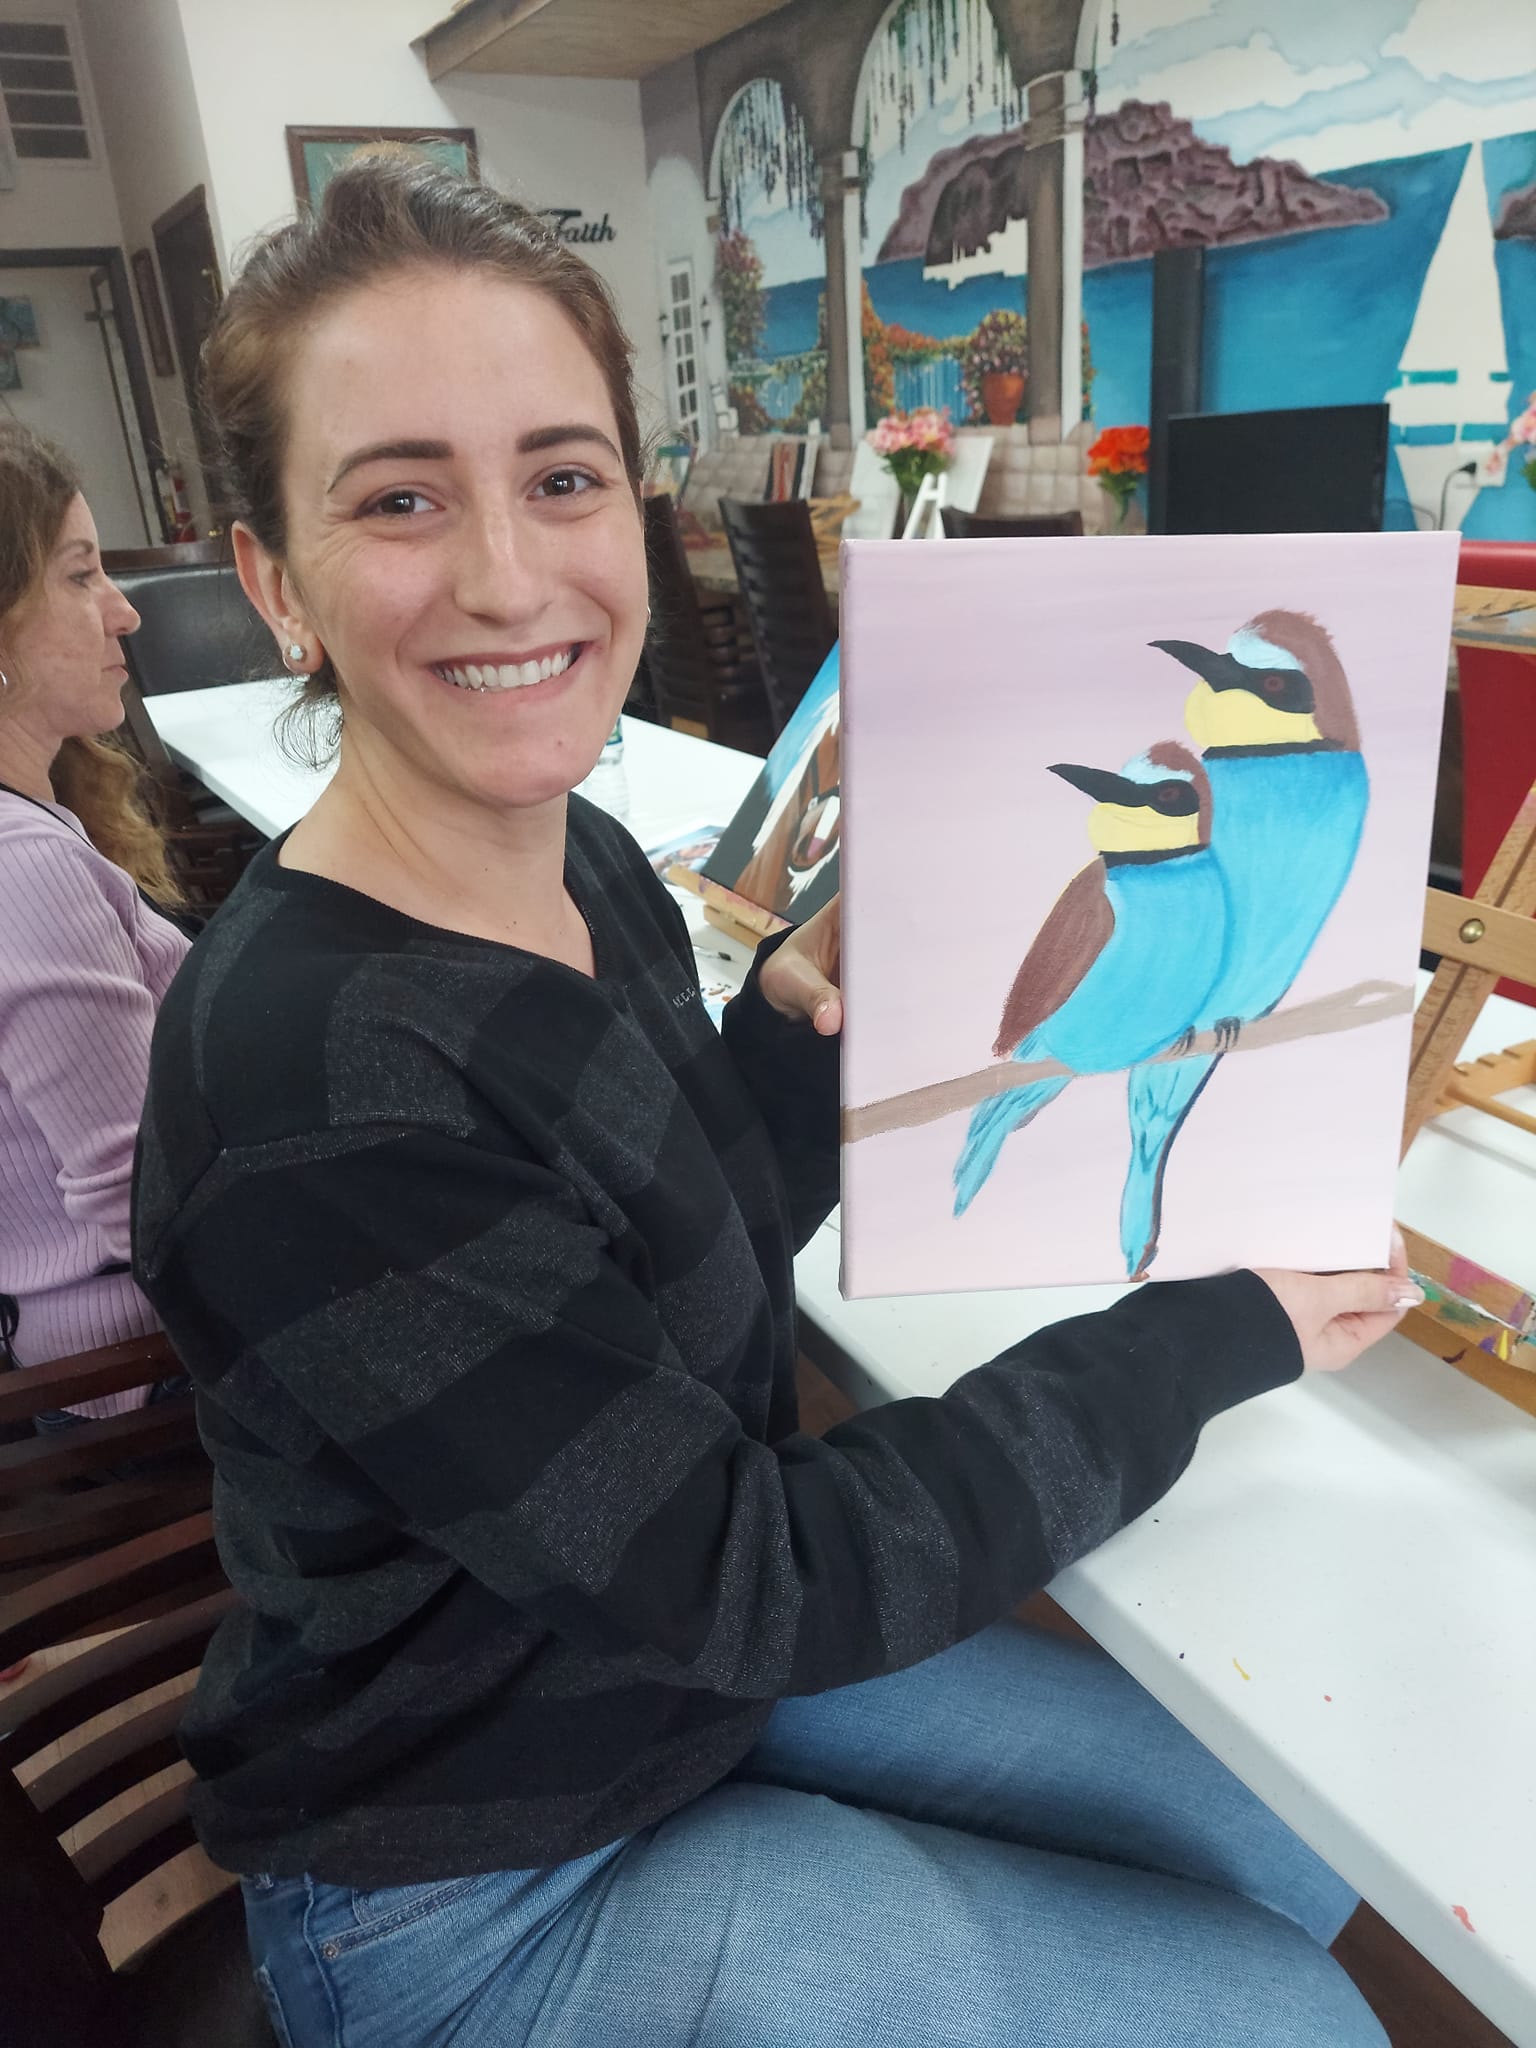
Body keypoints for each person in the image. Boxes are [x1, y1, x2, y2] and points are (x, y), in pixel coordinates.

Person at [133, 156, 1417, 2048]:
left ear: (629, 511)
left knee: (1283, 1843)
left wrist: (801, 1060)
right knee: (1289, 2017)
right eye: (400, 498)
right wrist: (1195, 1339)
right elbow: (754, 1569)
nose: (507, 572)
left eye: (560, 477)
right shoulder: (315, 1085)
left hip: (654, 1674)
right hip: (470, 1862)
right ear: (273, 579)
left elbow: (657, 1255)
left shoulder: (577, 864)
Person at [0, 423, 190, 1417]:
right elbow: (146, 1208)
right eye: (80, 577)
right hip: (130, 1379)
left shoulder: (35, 823)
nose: (123, 613)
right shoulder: (27, 869)